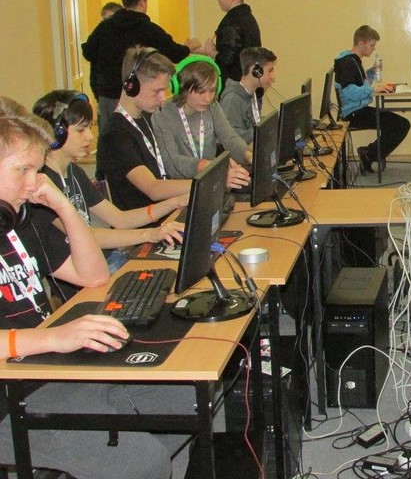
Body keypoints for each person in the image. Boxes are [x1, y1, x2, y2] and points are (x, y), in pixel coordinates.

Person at [0, 96, 196, 479]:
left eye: (37, 171)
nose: (34, 183)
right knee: (145, 462)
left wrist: (64, 207)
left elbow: (92, 276)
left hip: (51, 371)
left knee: (190, 400)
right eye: (23, 170)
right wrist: (54, 337)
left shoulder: (20, 218)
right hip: (11, 399)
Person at [32, 90, 185, 275]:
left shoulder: (74, 172)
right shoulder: (41, 186)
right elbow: (87, 235)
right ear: (56, 134)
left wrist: (174, 202)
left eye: (89, 128)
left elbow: (119, 219)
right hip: (81, 277)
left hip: (104, 260)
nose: (90, 136)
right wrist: (150, 234)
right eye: (81, 130)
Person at [96, 47, 250, 213]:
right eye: (157, 91)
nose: (163, 98)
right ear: (131, 86)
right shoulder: (115, 135)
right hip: (148, 223)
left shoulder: (146, 118)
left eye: (164, 90)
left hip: (170, 211)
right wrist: (216, 179)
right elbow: (154, 189)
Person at [81, 0, 202, 136]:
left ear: (124, 1)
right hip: (139, 94)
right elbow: (175, 53)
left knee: (109, 137)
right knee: (140, 136)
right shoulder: (149, 29)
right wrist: (190, 47)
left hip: (108, 94)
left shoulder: (105, 27)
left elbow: (88, 52)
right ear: (143, 1)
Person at [152, 56, 253, 179]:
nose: (208, 98)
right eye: (201, 91)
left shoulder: (212, 106)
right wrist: (205, 165)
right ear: (181, 87)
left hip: (210, 178)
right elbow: (172, 163)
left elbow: (229, 138)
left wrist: (248, 156)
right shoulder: (162, 116)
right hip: (183, 186)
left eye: (212, 90)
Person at [333, 25, 410, 174]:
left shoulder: (354, 60)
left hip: (358, 109)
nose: (373, 49)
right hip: (353, 113)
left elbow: (361, 84)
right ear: (361, 43)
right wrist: (374, 89)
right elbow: (349, 92)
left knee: (397, 124)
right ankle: (368, 154)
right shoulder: (347, 63)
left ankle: (369, 153)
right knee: (401, 125)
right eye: (372, 45)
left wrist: (372, 72)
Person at [204, 0, 261, 89]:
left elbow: (227, 59)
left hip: (235, 88)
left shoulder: (232, 22)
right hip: (249, 85)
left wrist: (212, 52)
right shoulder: (247, 17)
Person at [219, 47, 277, 144]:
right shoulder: (232, 98)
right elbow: (231, 137)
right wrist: (262, 130)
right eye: (270, 70)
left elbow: (253, 124)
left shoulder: (255, 94)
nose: (273, 76)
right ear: (256, 71)